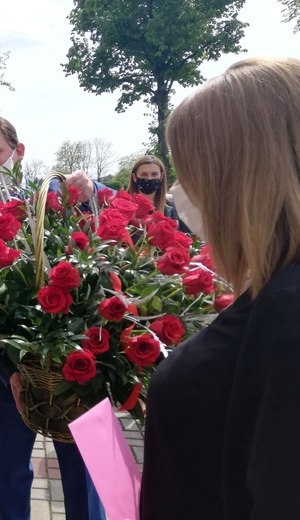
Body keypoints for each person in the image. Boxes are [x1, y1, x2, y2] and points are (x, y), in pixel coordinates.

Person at [140, 56, 300, 519]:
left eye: (189, 172)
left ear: (237, 176)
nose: (177, 194)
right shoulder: (275, 290)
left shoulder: (288, 311)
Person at [0, 115, 106, 520]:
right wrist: (7, 365)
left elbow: (118, 209)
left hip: (73, 367)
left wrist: (92, 189)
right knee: (10, 470)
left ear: (18, 152)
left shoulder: (59, 200)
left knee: (80, 470)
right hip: (8, 370)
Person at [127, 155, 190, 231]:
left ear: (162, 176)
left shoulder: (176, 205)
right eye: (144, 174)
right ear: (134, 177)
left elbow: (187, 237)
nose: (149, 178)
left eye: (154, 174)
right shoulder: (123, 207)